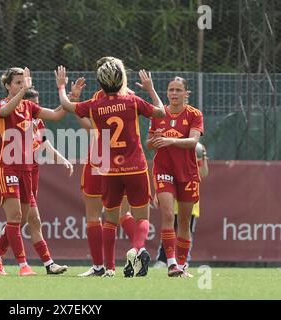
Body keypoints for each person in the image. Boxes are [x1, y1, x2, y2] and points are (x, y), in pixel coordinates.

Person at [56, 59, 166, 278]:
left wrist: (62, 87)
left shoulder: (97, 104)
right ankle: (134, 250)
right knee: (139, 216)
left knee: (110, 218)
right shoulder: (132, 99)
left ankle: (108, 267)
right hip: (134, 166)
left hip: (109, 168)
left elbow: (69, 108)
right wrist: (152, 89)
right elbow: (160, 112)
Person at [0, 67, 73, 276]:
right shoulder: (2, 105)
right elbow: (6, 112)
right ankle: (23, 265)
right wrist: (21, 92)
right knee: (16, 216)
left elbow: (56, 114)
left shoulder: (29, 107)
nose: (21, 85)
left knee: (29, 219)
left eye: (23, 82)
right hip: (6, 167)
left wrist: (68, 93)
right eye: (16, 82)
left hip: (27, 170)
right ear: (8, 85)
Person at [75, 57, 137, 278]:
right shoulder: (131, 98)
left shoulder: (98, 99)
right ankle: (138, 250)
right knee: (122, 214)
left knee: (94, 216)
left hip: (99, 159)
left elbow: (91, 127)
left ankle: (102, 267)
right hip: (126, 162)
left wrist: (72, 100)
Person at [147, 76, 204, 277]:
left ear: (186, 93)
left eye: (178, 90)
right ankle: (171, 263)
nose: (174, 93)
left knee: (184, 221)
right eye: (171, 89)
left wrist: (169, 140)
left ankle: (182, 265)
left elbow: (193, 141)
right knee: (168, 215)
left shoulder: (195, 114)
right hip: (163, 169)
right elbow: (149, 143)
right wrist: (155, 139)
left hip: (187, 172)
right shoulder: (158, 113)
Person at [153, 142, 209, 268]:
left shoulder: (196, 147)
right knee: (169, 227)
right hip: (172, 196)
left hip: (189, 196)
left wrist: (203, 158)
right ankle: (163, 259)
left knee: (186, 228)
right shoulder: (172, 145)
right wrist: (158, 193)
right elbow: (164, 173)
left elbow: (203, 173)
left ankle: (183, 260)